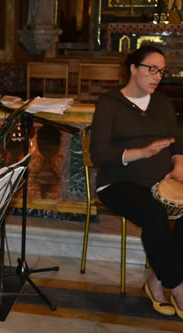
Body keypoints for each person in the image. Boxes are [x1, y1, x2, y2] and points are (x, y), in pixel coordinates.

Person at [90, 45, 183, 319]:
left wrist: (178, 164)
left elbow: (177, 141)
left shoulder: (163, 103)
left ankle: (157, 279)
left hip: (160, 182)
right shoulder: (109, 103)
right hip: (118, 184)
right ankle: (176, 285)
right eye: (151, 69)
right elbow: (99, 154)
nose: (157, 76)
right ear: (133, 68)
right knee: (154, 214)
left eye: (161, 71)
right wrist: (141, 153)